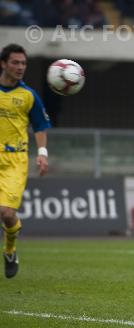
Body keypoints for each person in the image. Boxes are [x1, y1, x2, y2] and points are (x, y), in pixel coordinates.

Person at [0, 43, 51, 278]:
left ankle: (10, 250)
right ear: (3, 64)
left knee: (7, 213)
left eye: (23, 63)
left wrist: (42, 154)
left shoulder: (29, 95)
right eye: (15, 62)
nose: (20, 67)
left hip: (15, 159)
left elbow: (40, 126)